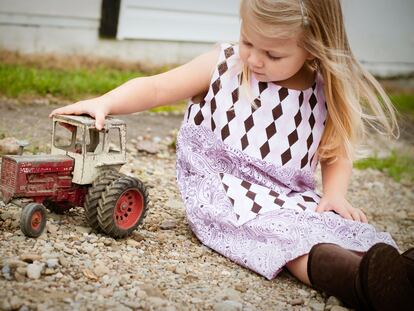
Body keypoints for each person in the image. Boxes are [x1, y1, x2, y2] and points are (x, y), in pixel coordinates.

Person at [50, 0, 413, 309]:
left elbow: (336, 150)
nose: (254, 58)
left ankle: (395, 273)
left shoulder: (321, 91)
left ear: (314, 48)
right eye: (247, 41)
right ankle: (356, 281)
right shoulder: (224, 66)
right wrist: (106, 101)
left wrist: (334, 194)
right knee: (284, 239)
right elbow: (158, 87)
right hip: (227, 193)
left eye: (273, 54)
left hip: (288, 196)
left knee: (336, 225)